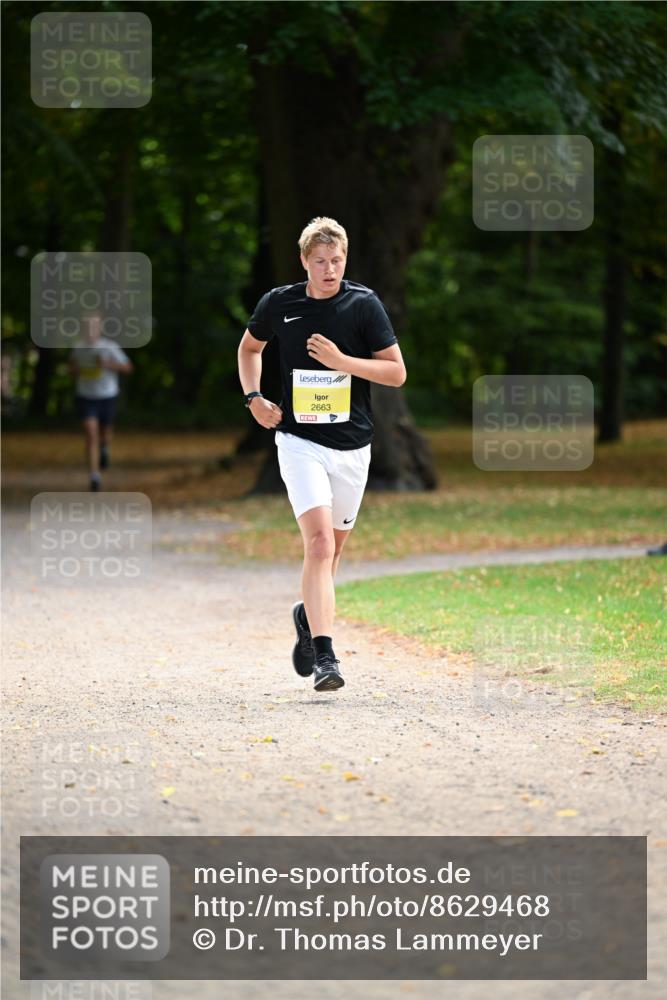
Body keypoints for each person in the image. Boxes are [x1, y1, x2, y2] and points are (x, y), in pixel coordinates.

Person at [238, 217, 406, 692]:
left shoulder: (363, 304)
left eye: (337, 261)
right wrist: (254, 399)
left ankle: (306, 617)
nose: (330, 270)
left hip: (353, 447)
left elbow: (396, 373)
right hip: (298, 442)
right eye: (320, 262)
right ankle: (327, 659)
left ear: (345, 258)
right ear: (304, 262)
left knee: (331, 556)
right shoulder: (279, 303)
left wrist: (342, 363)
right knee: (319, 546)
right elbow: (249, 349)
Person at [69, 312, 133, 491]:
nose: (90, 330)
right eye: (87, 326)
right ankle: (94, 475)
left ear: (99, 328)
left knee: (105, 432)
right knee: (91, 434)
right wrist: (76, 369)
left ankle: (105, 447)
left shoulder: (109, 347)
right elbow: (71, 369)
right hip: (85, 396)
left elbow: (128, 367)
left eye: (94, 326)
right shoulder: (78, 347)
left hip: (107, 396)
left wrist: (107, 364)